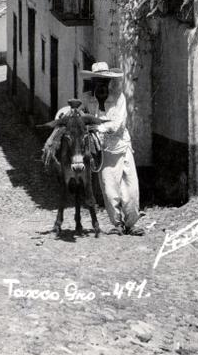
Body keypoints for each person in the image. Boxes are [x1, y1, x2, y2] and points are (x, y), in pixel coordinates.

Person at [55, 61, 144, 236]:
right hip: (103, 152)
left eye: (105, 81)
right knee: (110, 191)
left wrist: (98, 127)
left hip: (122, 147)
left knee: (131, 189)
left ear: (109, 82)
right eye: (98, 81)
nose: (101, 84)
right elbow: (78, 114)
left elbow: (118, 124)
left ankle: (131, 224)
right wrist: (65, 116)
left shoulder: (119, 98)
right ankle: (117, 224)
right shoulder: (88, 100)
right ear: (94, 82)